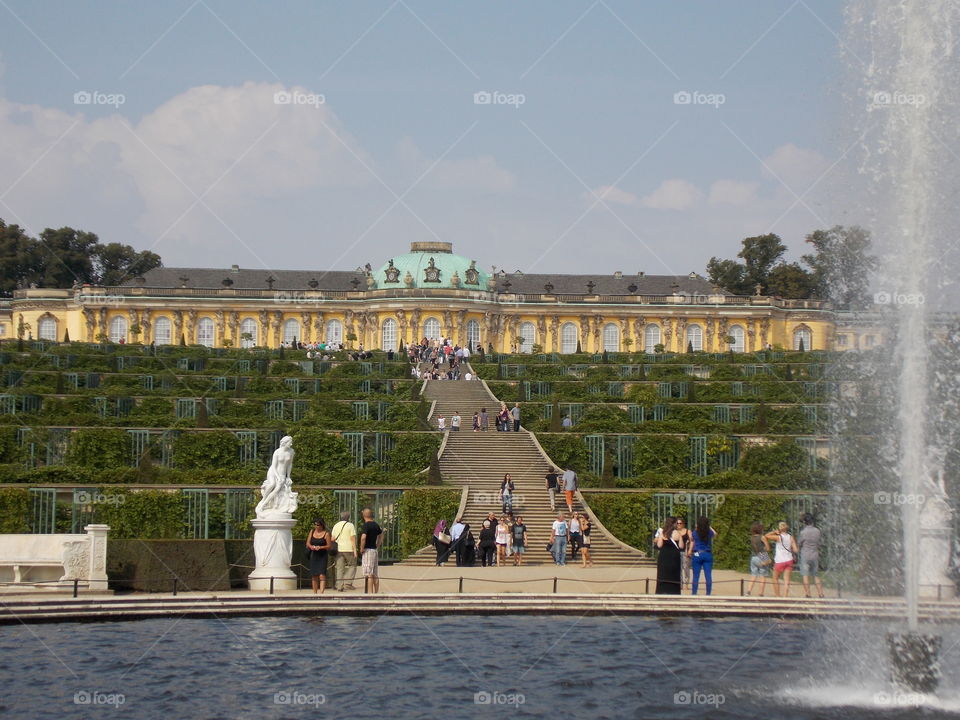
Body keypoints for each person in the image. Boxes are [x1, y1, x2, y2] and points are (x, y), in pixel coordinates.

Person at [765, 521, 799, 598]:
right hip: (789, 560)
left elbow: (766, 536)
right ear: (787, 528)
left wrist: (774, 532)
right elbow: (796, 550)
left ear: (780, 528)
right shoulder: (791, 537)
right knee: (787, 579)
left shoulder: (778, 537)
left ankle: (777, 595)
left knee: (775, 578)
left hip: (780, 560)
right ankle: (785, 595)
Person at [798, 513, 825, 599]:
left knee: (805, 575)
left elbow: (799, 543)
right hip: (814, 554)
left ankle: (808, 594)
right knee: (816, 575)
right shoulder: (817, 531)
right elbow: (819, 542)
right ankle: (820, 593)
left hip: (805, 554)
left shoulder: (803, 532)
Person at [688, 516, 716, 596]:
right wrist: (709, 527)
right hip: (707, 553)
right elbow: (715, 534)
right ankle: (708, 593)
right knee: (708, 575)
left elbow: (691, 538)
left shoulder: (695, 533)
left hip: (697, 553)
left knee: (696, 575)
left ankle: (694, 592)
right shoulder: (709, 533)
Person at [655, 516, 682, 595]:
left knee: (663, 574)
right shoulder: (677, 533)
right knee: (674, 574)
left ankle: (662, 591)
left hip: (664, 555)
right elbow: (681, 546)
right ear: (674, 524)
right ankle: (674, 591)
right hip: (674, 556)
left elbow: (659, 545)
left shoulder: (663, 533)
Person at [359, 506, 383, 594]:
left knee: (369, 574)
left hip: (367, 550)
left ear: (363, 515)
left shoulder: (366, 525)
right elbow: (381, 535)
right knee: (375, 573)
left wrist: (361, 548)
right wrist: (378, 544)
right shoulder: (376, 524)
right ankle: (376, 593)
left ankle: (369, 593)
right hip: (374, 550)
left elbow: (363, 537)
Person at [331, 511, 357, 592]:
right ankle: (348, 583)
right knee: (352, 565)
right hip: (348, 548)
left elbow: (333, 539)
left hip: (339, 548)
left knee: (339, 568)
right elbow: (352, 538)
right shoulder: (350, 525)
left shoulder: (336, 525)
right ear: (348, 518)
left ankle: (339, 586)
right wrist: (355, 550)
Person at [747, 521, 771, 597]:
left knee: (753, 575)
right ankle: (761, 593)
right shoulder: (762, 537)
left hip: (754, 557)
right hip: (762, 555)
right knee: (762, 575)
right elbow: (767, 548)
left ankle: (748, 591)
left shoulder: (752, 538)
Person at [306, 518, 330, 595]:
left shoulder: (326, 534)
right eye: (315, 524)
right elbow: (308, 543)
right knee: (314, 575)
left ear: (322, 525)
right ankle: (314, 593)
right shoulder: (312, 532)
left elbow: (329, 546)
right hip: (314, 555)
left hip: (322, 555)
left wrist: (321, 547)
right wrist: (311, 547)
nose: (316, 526)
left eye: (318, 525)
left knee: (322, 575)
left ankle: (322, 593)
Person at [675, 517, 692, 590]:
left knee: (686, 568)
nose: (678, 524)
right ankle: (680, 584)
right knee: (678, 569)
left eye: (680, 523)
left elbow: (692, 541)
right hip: (676, 552)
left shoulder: (688, 531)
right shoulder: (674, 531)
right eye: (677, 523)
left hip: (685, 552)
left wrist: (690, 550)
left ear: (683, 524)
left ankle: (686, 584)